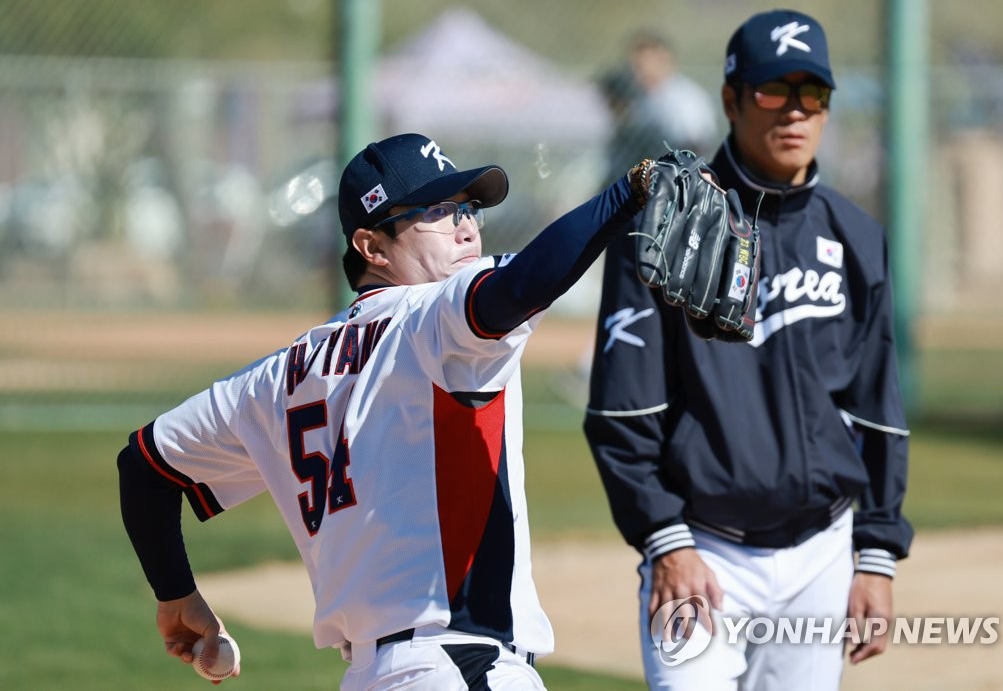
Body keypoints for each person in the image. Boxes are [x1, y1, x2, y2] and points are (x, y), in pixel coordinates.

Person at [117, 132, 663, 690]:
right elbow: (520, 285)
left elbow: (143, 467)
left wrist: (176, 595)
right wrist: (630, 191)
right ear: (372, 248)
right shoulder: (434, 316)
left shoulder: (274, 378)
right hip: (461, 666)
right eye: (437, 211)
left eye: (468, 208)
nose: (467, 226)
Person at [584, 9, 913, 691]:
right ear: (732, 100)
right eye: (772, 91)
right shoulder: (667, 225)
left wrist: (875, 554)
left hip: (821, 552)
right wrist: (664, 541)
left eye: (811, 93)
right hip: (703, 544)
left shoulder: (856, 236)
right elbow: (622, 411)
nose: (794, 112)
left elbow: (878, 408)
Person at [626, 30, 719, 158]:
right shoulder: (641, 97)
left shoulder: (686, 99)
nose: (636, 71)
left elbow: (695, 146)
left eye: (642, 65)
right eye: (635, 65)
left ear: (663, 60)